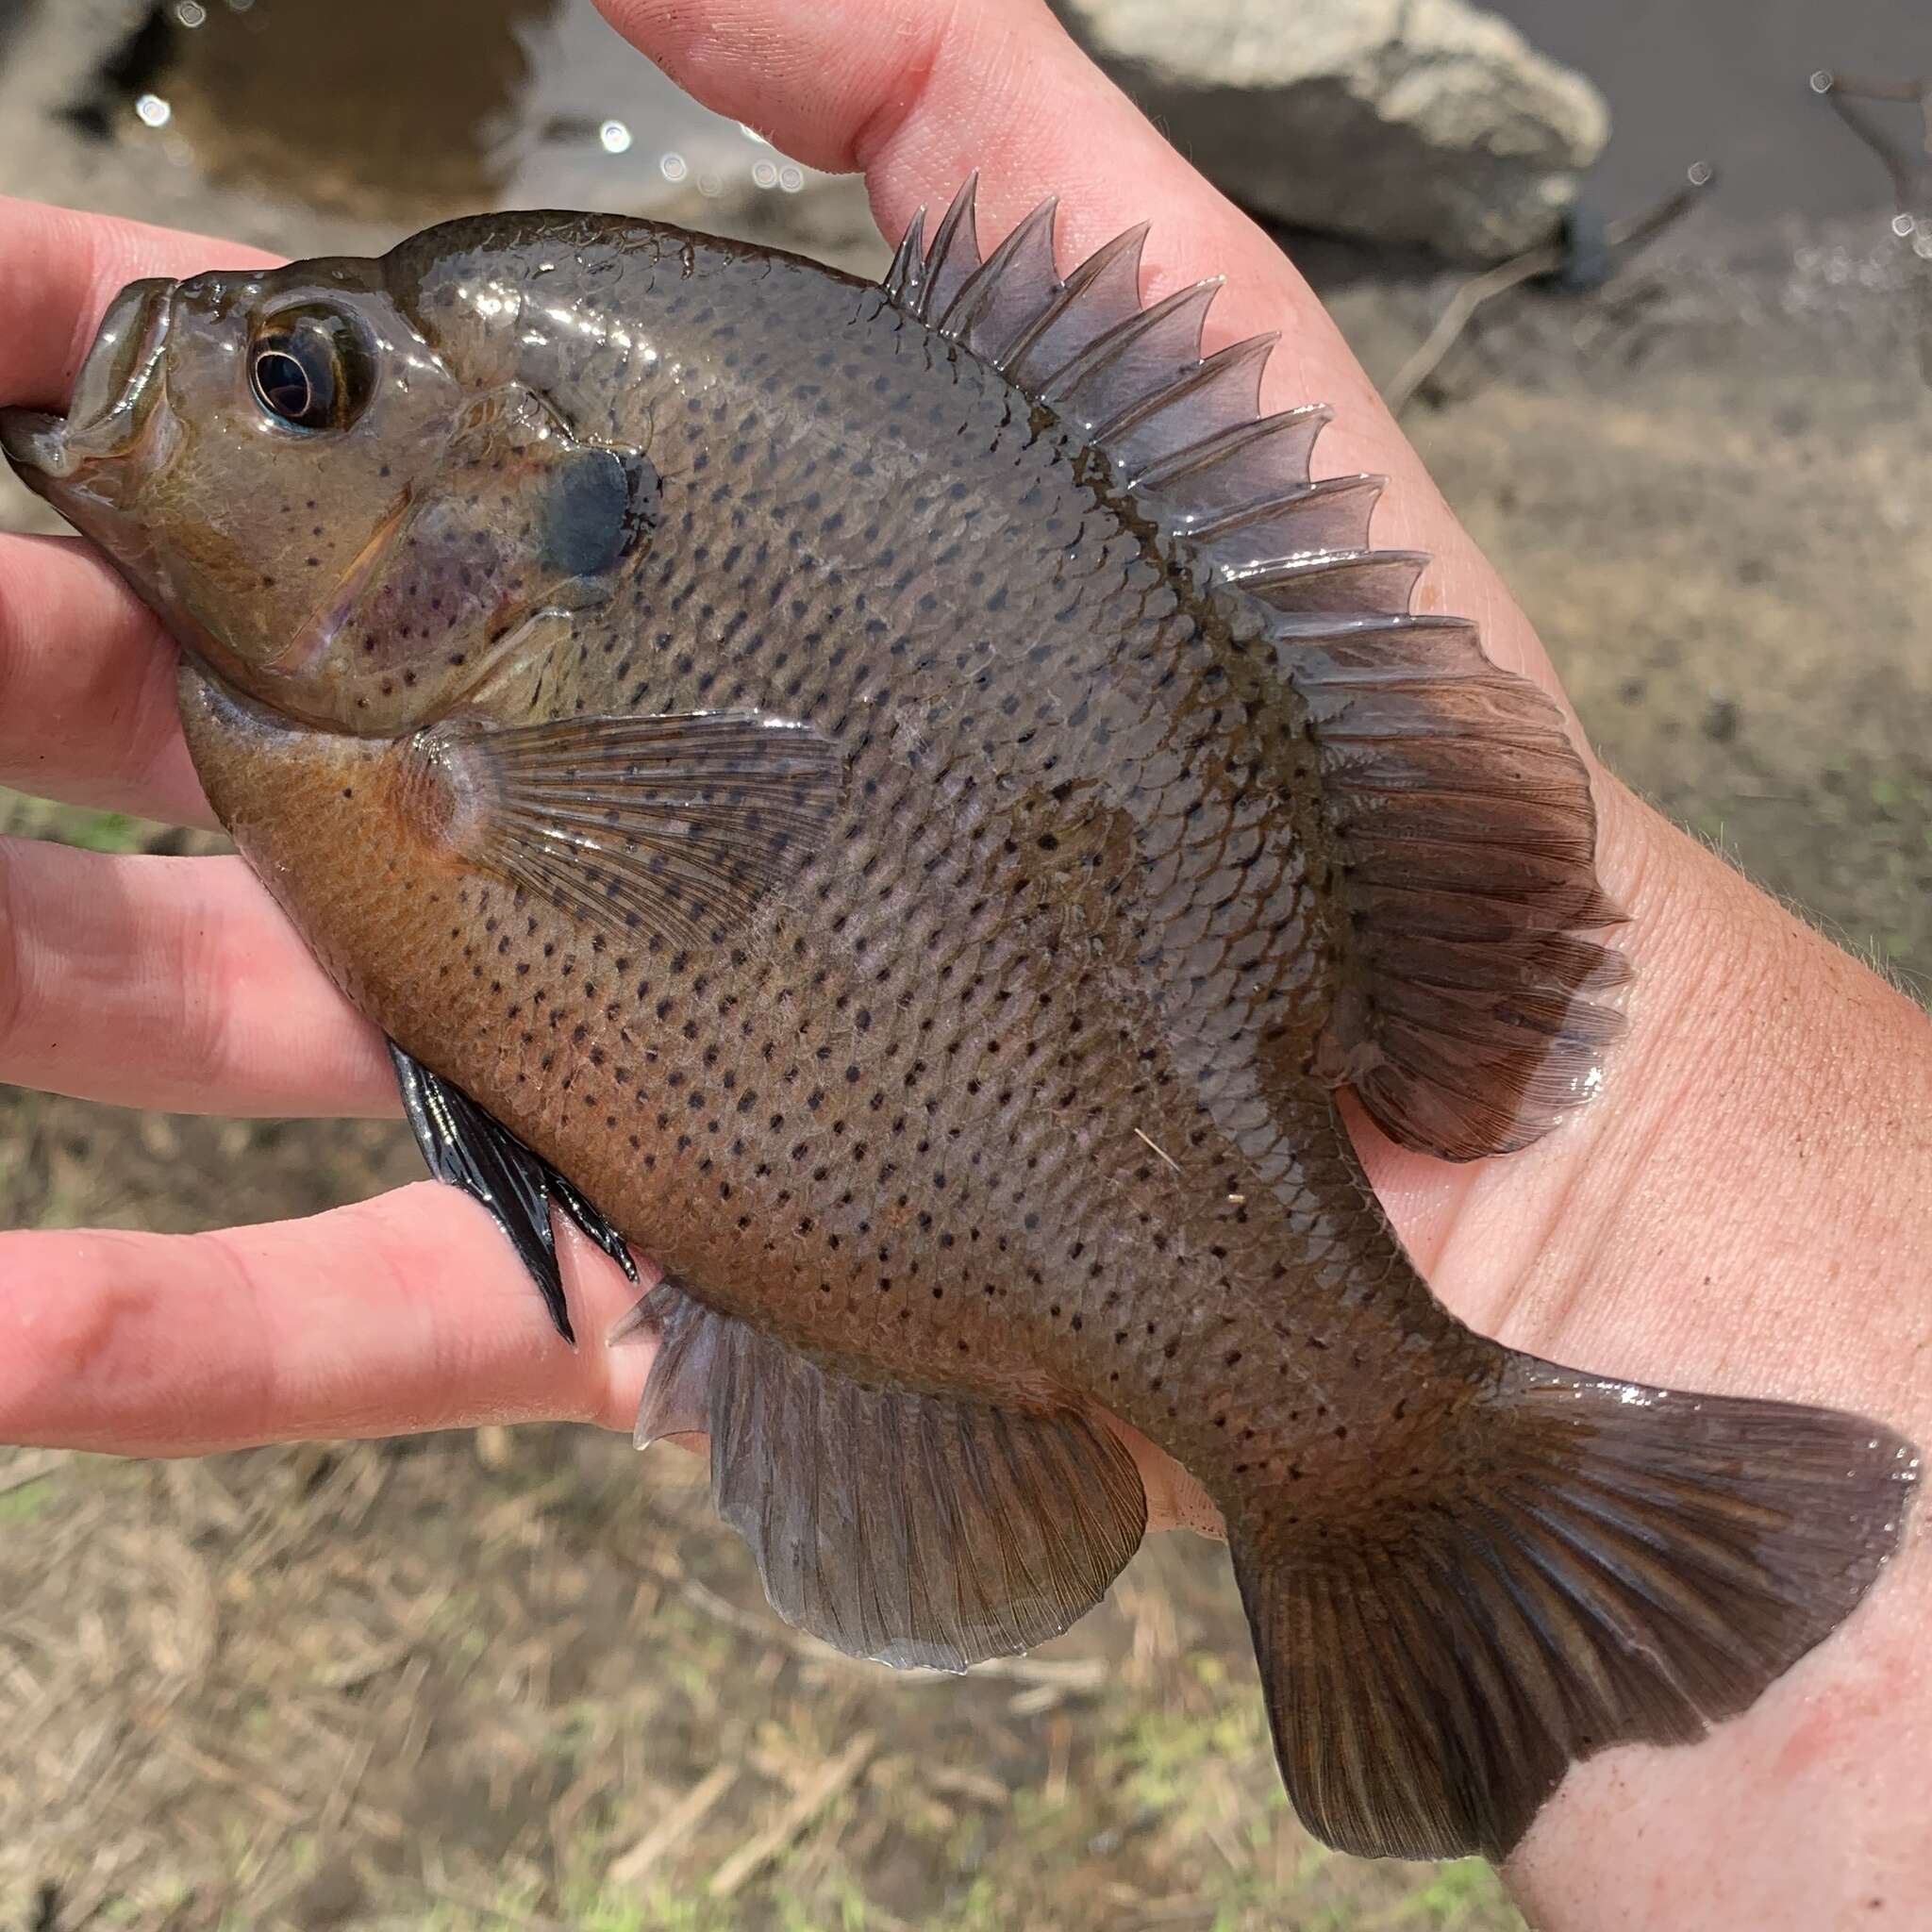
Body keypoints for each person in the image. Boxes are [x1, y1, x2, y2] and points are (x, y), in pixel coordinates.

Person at [0, 0, 1925, 1920]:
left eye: (298, 386)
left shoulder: (394, 736)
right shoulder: (368, 736)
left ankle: (1406, 1461)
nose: (200, 373)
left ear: (509, 538)